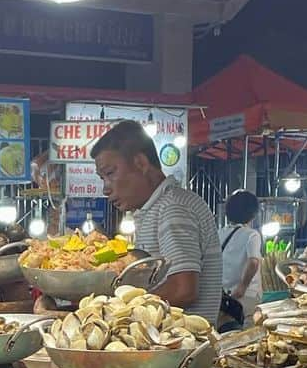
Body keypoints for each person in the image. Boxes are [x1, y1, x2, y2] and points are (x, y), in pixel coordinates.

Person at [91, 119, 222, 321]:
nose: (106, 188)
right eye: (102, 179)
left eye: (110, 173)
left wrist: (118, 311)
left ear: (141, 163)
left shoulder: (173, 208)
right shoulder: (155, 208)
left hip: (182, 347)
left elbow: (183, 289)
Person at [220, 189, 263, 322]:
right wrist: (242, 287)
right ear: (252, 214)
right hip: (246, 295)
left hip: (225, 296)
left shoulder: (219, 233)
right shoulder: (252, 235)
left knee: (226, 330)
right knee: (245, 335)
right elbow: (253, 262)